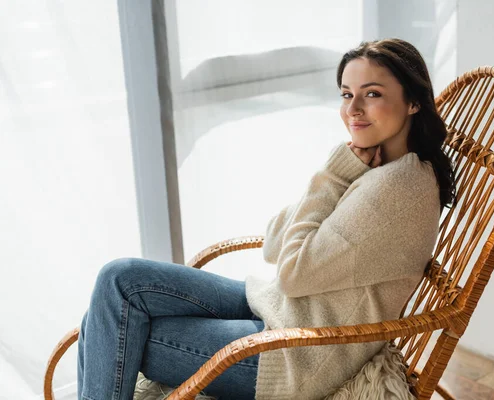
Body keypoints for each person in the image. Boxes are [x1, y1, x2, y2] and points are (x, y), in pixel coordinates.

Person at [77, 38, 455, 400]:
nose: (353, 108)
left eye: (372, 94)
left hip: (296, 354)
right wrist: (342, 175)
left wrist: (334, 177)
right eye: (345, 94)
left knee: (110, 330)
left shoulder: (396, 189)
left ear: (413, 102)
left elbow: (292, 272)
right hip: (277, 310)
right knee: (120, 279)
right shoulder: (375, 169)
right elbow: (275, 239)